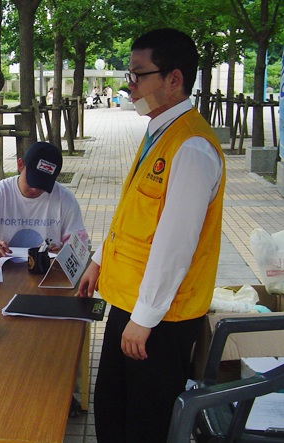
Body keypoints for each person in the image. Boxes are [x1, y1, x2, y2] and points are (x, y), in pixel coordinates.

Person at [76, 28, 225, 443]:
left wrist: (143, 320)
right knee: (111, 408)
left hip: (161, 317)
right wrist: (100, 261)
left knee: (143, 424)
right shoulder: (158, 130)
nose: (130, 84)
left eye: (139, 74)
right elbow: (133, 213)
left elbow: (175, 246)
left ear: (173, 78)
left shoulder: (191, 147)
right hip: (131, 302)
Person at [0, 141, 88, 256]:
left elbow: (81, 246)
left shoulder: (65, 198)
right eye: (32, 181)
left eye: (43, 184)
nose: (35, 189)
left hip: (46, 270)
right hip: (4, 269)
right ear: (20, 165)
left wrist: (62, 252)